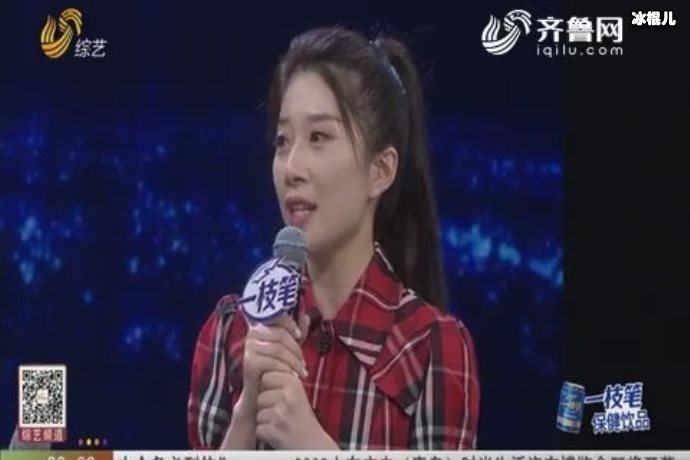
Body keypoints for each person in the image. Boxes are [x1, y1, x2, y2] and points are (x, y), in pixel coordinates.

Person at [187, 26, 480, 450]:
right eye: (282, 141)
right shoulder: (230, 330)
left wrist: (312, 445)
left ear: (380, 171)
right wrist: (247, 413)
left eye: (319, 137)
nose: (291, 168)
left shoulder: (434, 348)